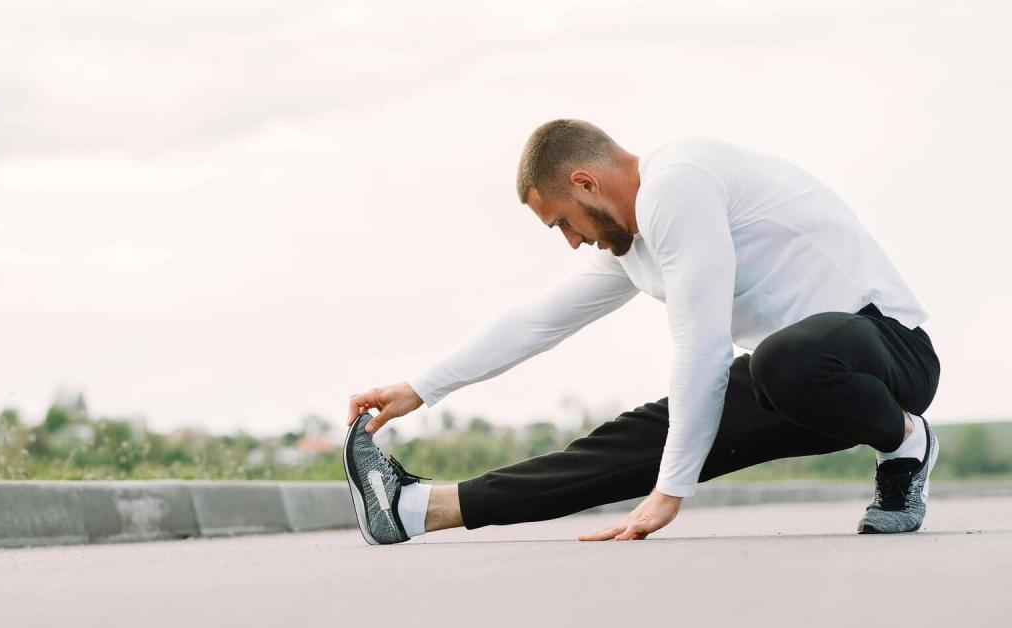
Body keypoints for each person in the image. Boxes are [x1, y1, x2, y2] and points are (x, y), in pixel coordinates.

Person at [343, 120, 940, 546]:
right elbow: (537, 322)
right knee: (626, 445)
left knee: (778, 363)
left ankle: (906, 441)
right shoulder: (633, 242)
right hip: (792, 382)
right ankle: (416, 510)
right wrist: (421, 388)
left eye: (562, 224)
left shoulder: (678, 181)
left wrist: (671, 492)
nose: (573, 241)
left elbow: (704, 346)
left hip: (888, 350)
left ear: (584, 183)